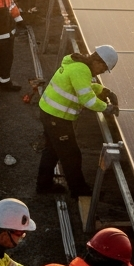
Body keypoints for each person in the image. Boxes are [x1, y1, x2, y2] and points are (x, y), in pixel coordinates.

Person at [35, 47, 119, 217]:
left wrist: (103, 91)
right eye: (103, 68)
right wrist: (107, 108)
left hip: (50, 112)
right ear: (97, 61)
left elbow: (83, 87)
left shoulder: (78, 65)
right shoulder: (81, 70)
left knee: (52, 151)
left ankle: (43, 185)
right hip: (57, 118)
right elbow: (87, 100)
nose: (102, 72)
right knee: (71, 155)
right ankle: (79, 191)